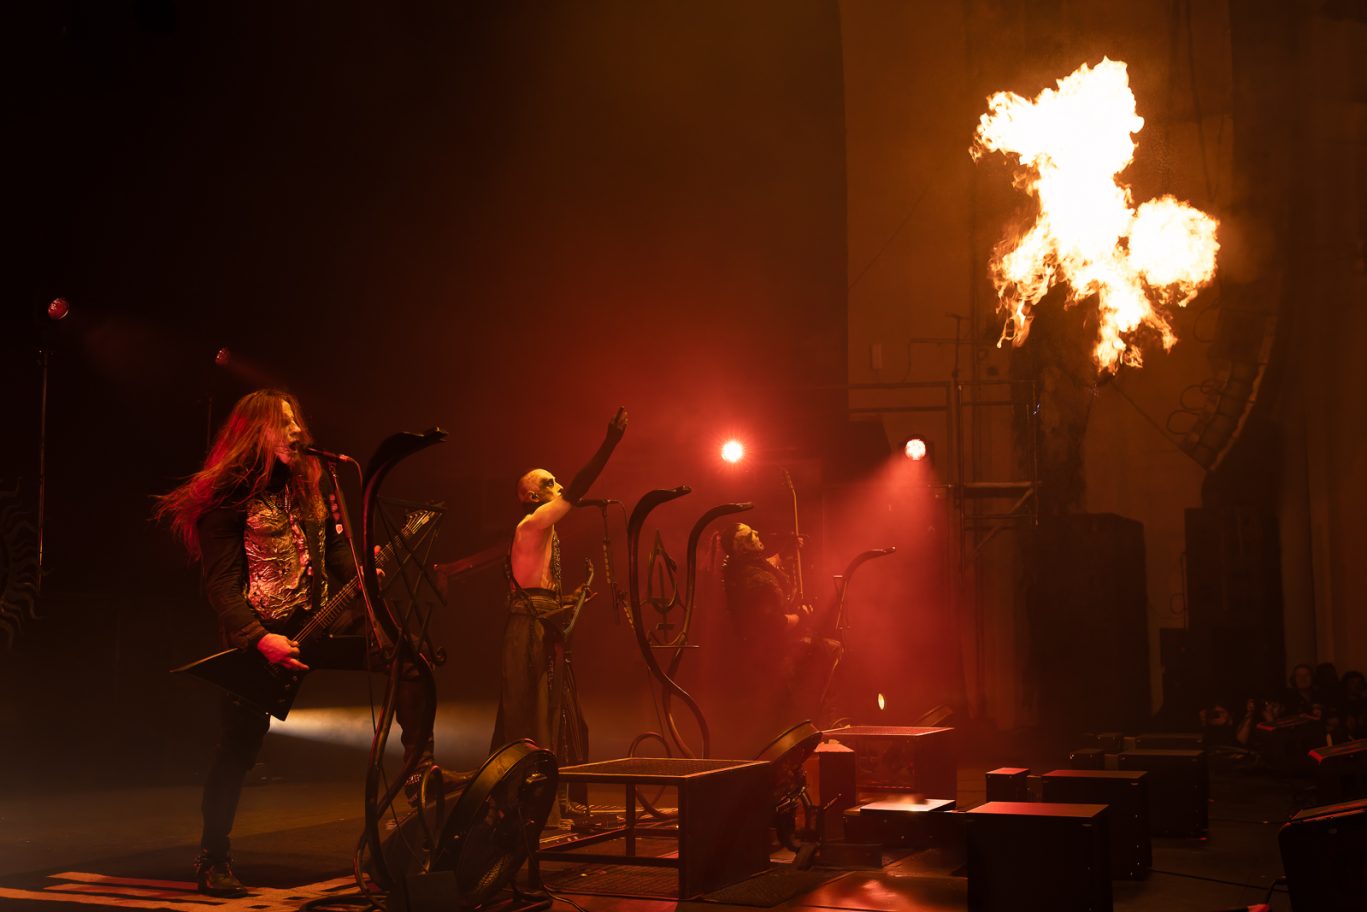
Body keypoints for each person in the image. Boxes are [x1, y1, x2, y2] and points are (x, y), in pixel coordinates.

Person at [156, 389, 438, 897]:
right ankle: (212, 857)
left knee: (409, 655)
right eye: (281, 422)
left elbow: (336, 553)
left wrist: (361, 574)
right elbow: (221, 586)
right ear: (253, 432)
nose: (295, 430)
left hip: (321, 622)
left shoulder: (313, 483)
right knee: (237, 750)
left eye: (295, 421)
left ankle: (420, 773)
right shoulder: (226, 496)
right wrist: (259, 638)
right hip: (260, 637)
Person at [492, 407, 628, 819]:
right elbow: (578, 489)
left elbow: (542, 590)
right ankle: (527, 807)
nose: (560, 486)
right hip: (528, 631)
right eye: (549, 483)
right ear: (532, 496)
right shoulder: (531, 525)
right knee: (531, 717)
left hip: (544, 626)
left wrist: (571, 599)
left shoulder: (544, 531)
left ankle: (560, 802)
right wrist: (609, 443)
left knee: (563, 717)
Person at [719, 522, 842, 741]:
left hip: (764, 652)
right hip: (773, 654)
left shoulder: (743, 567)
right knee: (830, 653)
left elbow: (768, 564)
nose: (757, 533)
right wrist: (801, 616)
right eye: (750, 535)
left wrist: (785, 552)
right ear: (741, 547)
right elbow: (776, 624)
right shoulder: (756, 581)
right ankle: (824, 724)